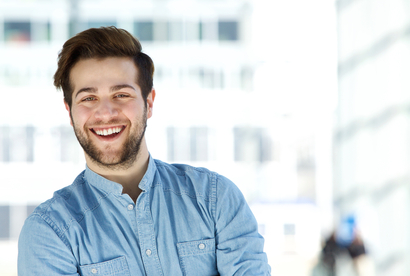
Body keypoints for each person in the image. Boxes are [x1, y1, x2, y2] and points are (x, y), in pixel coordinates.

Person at [18, 26, 271, 275]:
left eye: (121, 95)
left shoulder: (215, 199)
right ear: (70, 112)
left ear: (148, 103)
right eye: (88, 98)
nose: (106, 113)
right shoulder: (49, 231)